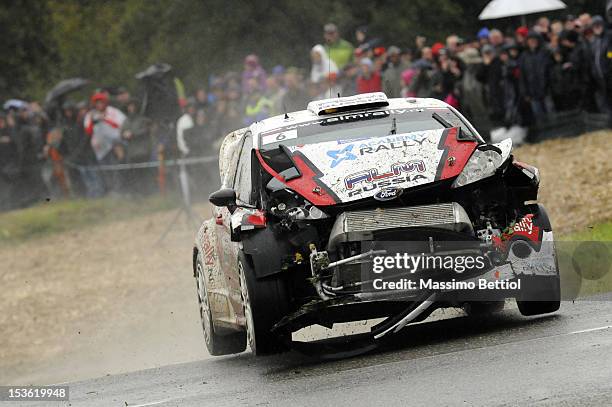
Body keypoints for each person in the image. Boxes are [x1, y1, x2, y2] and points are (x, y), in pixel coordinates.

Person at [84, 91, 126, 194]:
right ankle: (111, 190)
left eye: (101, 102)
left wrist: (105, 120)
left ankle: (119, 190)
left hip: (114, 145)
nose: (99, 104)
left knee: (116, 168)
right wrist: (94, 122)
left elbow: (121, 125)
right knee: (105, 170)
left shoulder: (113, 111)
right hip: (100, 148)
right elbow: (88, 131)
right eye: (97, 102)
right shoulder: (91, 115)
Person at [518, 32, 554, 121]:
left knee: (551, 111)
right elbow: (522, 76)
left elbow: (550, 70)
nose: (532, 42)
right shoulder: (523, 56)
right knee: (538, 114)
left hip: (546, 89)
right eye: (530, 41)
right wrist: (525, 93)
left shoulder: (545, 52)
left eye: (534, 40)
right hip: (532, 91)